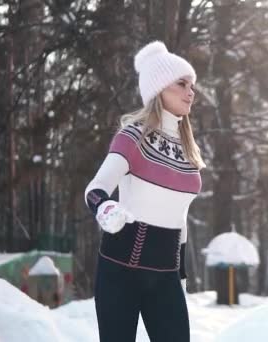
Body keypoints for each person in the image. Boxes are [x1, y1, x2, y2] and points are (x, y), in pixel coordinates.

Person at [84, 41, 206, 342]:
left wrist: (182, 274)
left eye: (192, 85)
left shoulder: (189, 151)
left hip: (166, 276)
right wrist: (106, 209)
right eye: (182, 83)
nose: (190, 91)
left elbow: (181, 218)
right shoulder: (133, 137)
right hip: (120, 272)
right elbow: (95, 189)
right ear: (159, 87)